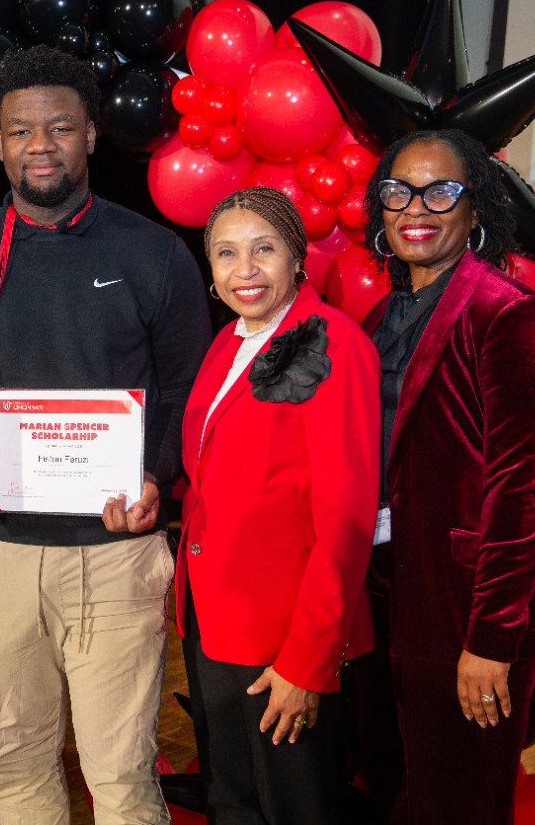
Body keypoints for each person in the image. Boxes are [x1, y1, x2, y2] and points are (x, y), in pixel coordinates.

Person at [0, 44, 212, 824]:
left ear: (91, 136)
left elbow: (188, 388)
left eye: (57, 128)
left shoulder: (154, 254)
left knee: (119, 775)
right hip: (1, 552)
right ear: (0, 142)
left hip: (117, 551)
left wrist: (155, 478)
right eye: (19, 130)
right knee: (15, 761)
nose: (38, 145)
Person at [362, 129, 535, 824]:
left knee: (460, 802)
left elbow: (522, 492)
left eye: (440, 190)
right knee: (403, 791)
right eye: (399, 190)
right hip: (393, 593)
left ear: (475, 208)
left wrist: (491, 639)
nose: (415, 206)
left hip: (470, 605)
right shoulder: (378, 318)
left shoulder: (508, 315)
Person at [175, 187, 379, 824]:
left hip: (284, 639)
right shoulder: (228, 343)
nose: (245, 270)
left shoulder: (335, 345)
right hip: (213, 623)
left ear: (297, 256)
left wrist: (308, 661)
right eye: (226, 254)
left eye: (263, 250)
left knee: (297, 809)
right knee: (232, 803)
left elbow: (345, 519)